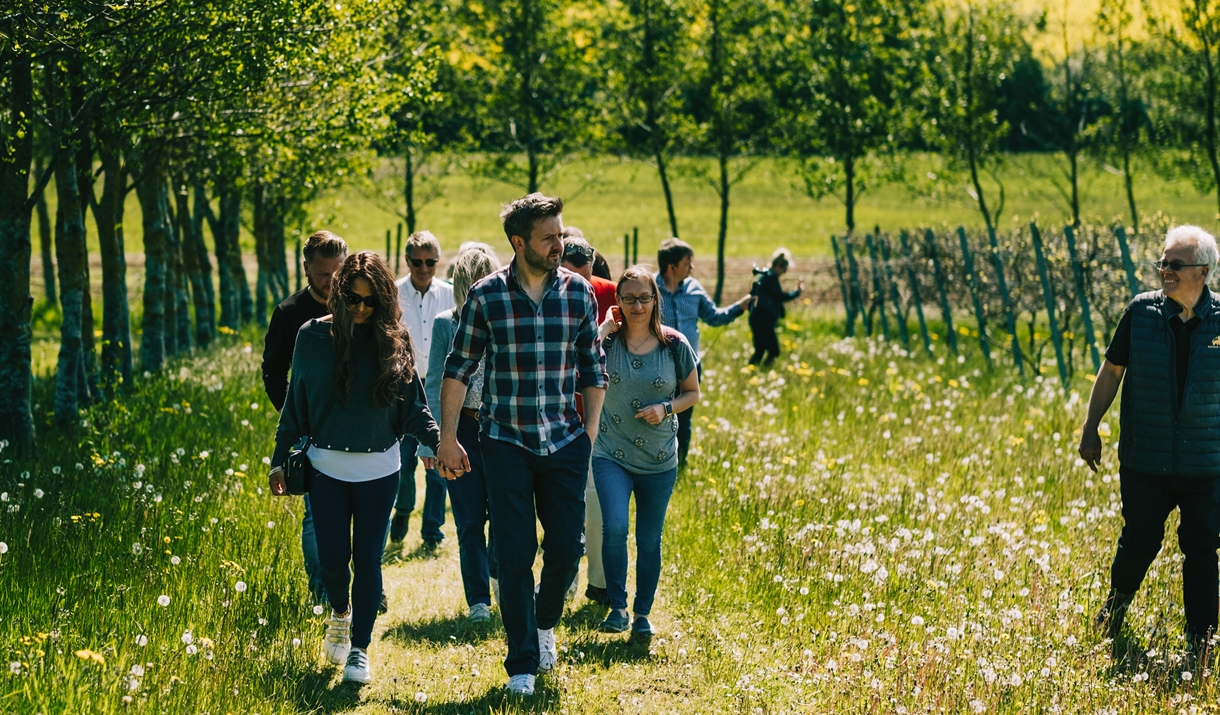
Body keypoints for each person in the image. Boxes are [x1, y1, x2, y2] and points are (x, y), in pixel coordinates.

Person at [437, 193, 607, 697]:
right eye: (549, 237)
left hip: (564, 441)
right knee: (514, 554)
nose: (560, 243)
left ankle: (544, 623)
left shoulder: (578, 294)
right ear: (519, 242)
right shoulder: (487, 297)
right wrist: (447, 437)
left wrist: (589, 435)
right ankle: (522, 664)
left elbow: (593, 369)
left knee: (566, 550)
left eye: (561, 234)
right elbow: (457, 369)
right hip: (504, 441)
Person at [269, 251, 440, 684]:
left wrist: (440, 443)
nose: (360, 308)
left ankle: (359, 649)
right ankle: (339, 614)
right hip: (325, 467)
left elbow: (415, 409)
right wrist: (277, 461)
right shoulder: (311, 337)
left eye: (370, 301)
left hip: (380, 468)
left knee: (368, 561)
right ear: (337, 295)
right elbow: (293, 406)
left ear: (382, 300)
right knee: (331, 562)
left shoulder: (394, 339)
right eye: (351, 299)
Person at [1079, 225, 1220, 656]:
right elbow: (1112, 371)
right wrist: (1090, 427)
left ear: (1204, 271)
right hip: (1146, 460)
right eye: (1162, 262)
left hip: (1207, 466)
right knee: (1139, 539)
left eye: (1175, 264)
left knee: (1202, 551)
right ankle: (1114, 610)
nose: (1165, 270)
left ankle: (1201, 640)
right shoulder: (1140, 313)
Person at [592, 266, 699, 638]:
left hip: (658, 459)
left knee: (649, 539)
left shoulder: (675, 344)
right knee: (615, 527)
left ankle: (642, 614)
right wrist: (604, 329)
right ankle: (617, 608)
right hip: (610, 452)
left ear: (656, 300)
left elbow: (692, 393)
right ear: (617, 302)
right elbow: (577, 364)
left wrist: (666, 408)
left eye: (644, 297)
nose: (637, 305)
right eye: (628, 298)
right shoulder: (606, 343)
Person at [261, 230, 348, 603]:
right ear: (306, 269)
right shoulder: (289, 314)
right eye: (323, 274)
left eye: (338, 273)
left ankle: (362, 587)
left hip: (357, 426)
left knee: (359, 512)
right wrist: (292, 416)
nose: (331, 282)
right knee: (316, 514)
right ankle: (322, 589)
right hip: (309, 431)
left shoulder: (358, 306)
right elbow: (272, 371)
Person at [423, 243, 503, 622]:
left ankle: (501, 579)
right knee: (470, 519)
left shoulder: (506, 319)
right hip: (462, 428)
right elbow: (435, 380)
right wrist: (434, 439)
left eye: (482, 280)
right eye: (468, 282)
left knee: (506, 513)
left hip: (503, 427)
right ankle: (478, 601)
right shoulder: (445, 323)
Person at [654, 238, 752, 468]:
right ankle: (656, 464)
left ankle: (679, 464)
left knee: (684, 420)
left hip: (689, 368)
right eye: (688, 262)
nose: (692, 267)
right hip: (658, 367)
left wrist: (740, 306)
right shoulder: (650, 290)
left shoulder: (695, 290)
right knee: (658, 417)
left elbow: (714, 317)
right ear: (672, 266)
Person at [560, 235, 618, 607]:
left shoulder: (612, 294)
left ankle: (598, 582)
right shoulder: (549, 294)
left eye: (584, 276)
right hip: (561, 416)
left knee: (596, 508)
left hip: (602, 418)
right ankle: (565, 577)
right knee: (563, 508)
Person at [390, 231, 456, 550]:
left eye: (430, 262)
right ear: (407, 261)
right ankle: (403, 511)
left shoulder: (449, 294)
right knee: (403, 462)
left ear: (437, 261)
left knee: (437, 465)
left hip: (440, 389)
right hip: (403, 389)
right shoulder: (394, 293)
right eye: (417, 262)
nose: (424, 268)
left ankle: (432, 530)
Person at [748, 247, 803, 366]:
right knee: (762, 351)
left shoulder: (766, 275)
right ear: (778, 265)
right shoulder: (770, 276)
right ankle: (750, 372)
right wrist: (796, 292)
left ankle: (758, 372)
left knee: (772, 350)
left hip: (760, 318)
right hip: (763, 318)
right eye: (784, 268)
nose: (784, 272)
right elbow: (779, 296)